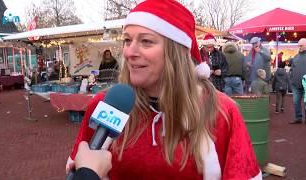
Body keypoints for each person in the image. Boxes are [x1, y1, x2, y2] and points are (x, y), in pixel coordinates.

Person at [66, 0, 261, 179]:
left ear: (176, 52)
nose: (130, 52)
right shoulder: (106, 104)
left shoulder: (220, 112)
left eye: (146, 41)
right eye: (127, 40)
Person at [289, 38, 306, 124]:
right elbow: (292, 69)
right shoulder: (295, 57)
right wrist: (291, 80)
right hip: (296, 84)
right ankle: (298, 118)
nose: (299, 47)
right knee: (296, 102)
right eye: (298, 45)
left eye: (301, 45)